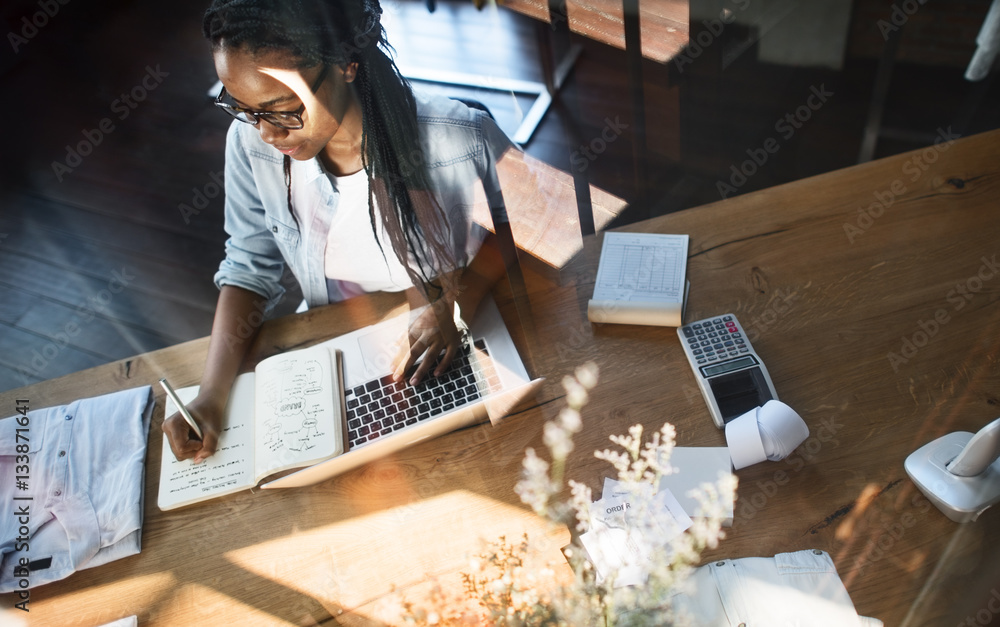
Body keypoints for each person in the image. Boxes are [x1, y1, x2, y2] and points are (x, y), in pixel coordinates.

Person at [163, 0, 516, 464]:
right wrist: (211, 394)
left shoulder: (458, 137)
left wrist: (455, 302)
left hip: (459, 330)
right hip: (337, 337)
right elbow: (248, 268)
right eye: (243, 109)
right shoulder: (251, 145)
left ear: (346, 64)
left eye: (284, 110)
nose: (266, 134)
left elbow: (527, 235)